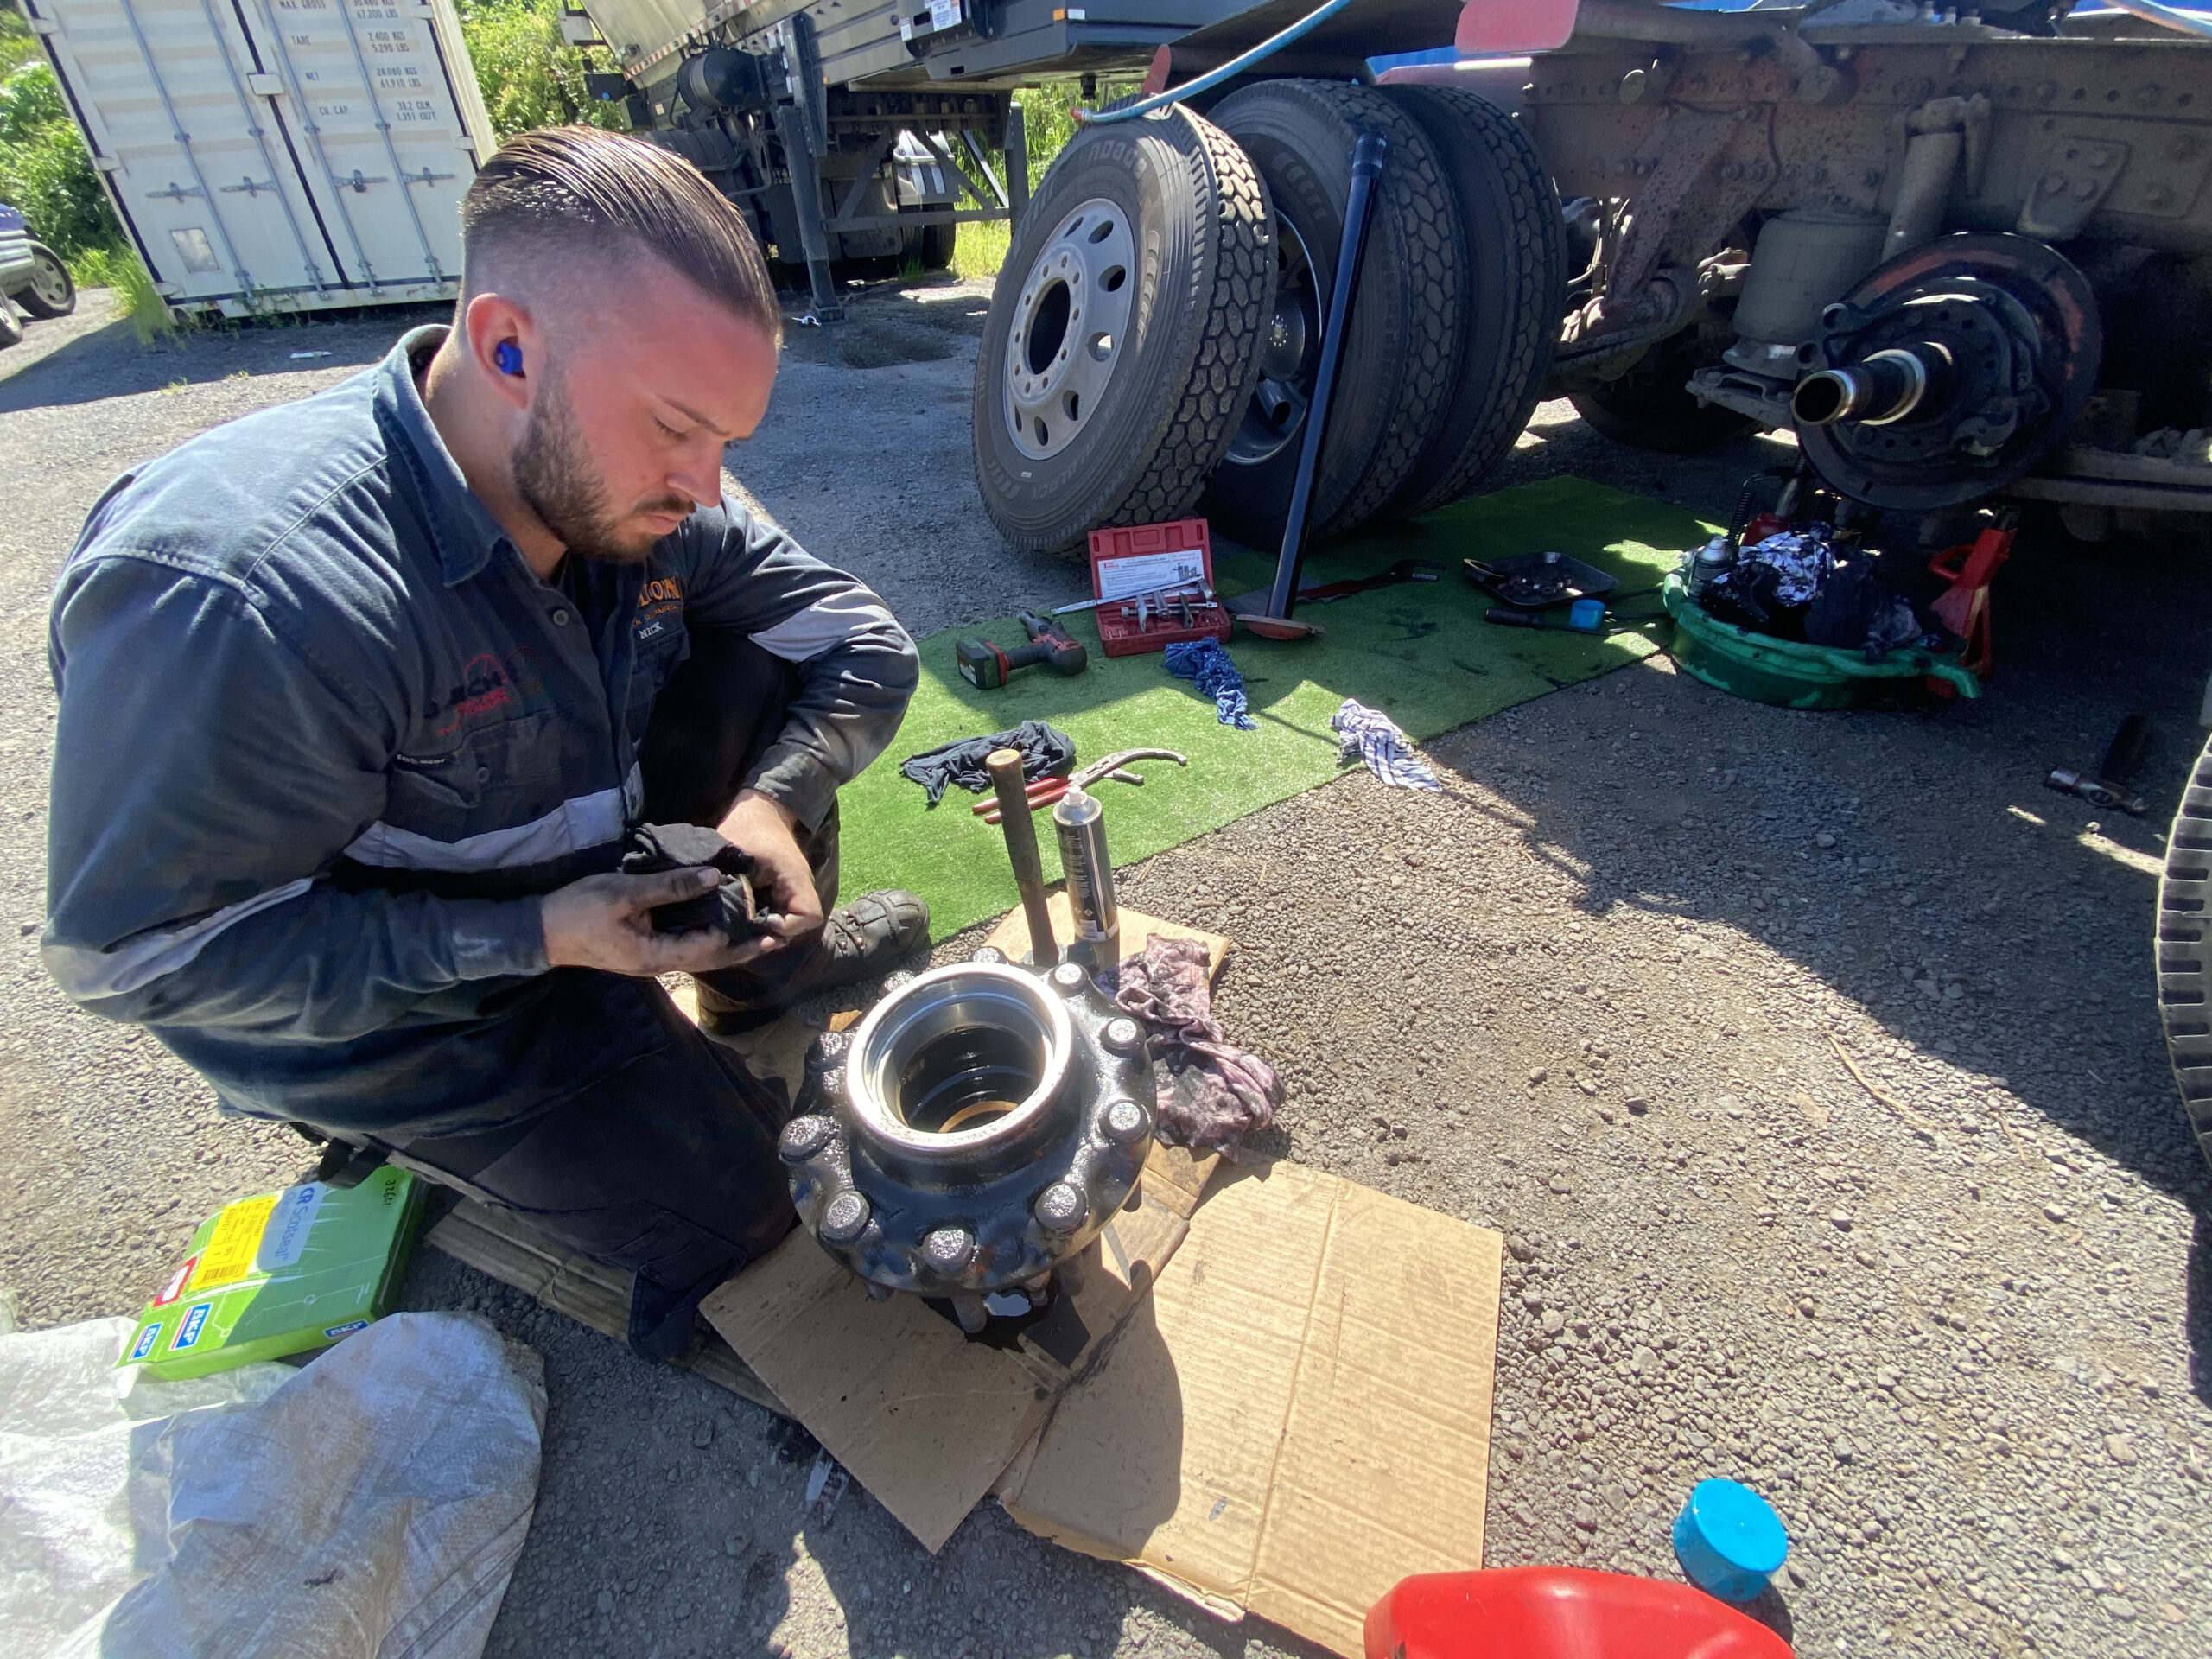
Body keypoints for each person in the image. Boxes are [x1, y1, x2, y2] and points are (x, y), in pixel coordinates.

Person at [42, 128, 926, 1358]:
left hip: (571, 868)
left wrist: (769, 804)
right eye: (677, 428)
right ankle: (460, 1121)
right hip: (416, 1004)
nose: (709, 487)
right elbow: (138, 959)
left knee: (760, 655)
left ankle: (743, 977)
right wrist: (532, 935)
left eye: (727, 439)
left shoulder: (637, 497)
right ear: (511, 346)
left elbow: (863, 640)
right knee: (769, 1207)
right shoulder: (249, 595)